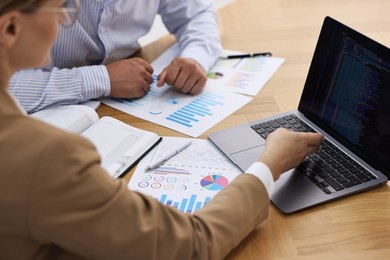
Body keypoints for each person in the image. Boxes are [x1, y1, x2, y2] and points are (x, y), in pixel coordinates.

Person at [0, 0, 324, 259]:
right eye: (59, 7)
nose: (65, 19)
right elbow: (192, 244)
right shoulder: (47, 157)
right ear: (11, 27)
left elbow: (197, 13)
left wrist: (194, 56)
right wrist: (268, 167)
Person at [8, 0, 222, 113]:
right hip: (40, 116)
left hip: (124, 109)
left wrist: (196, 57)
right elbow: (6, 86)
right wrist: (101, 79)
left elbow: (196, 14)